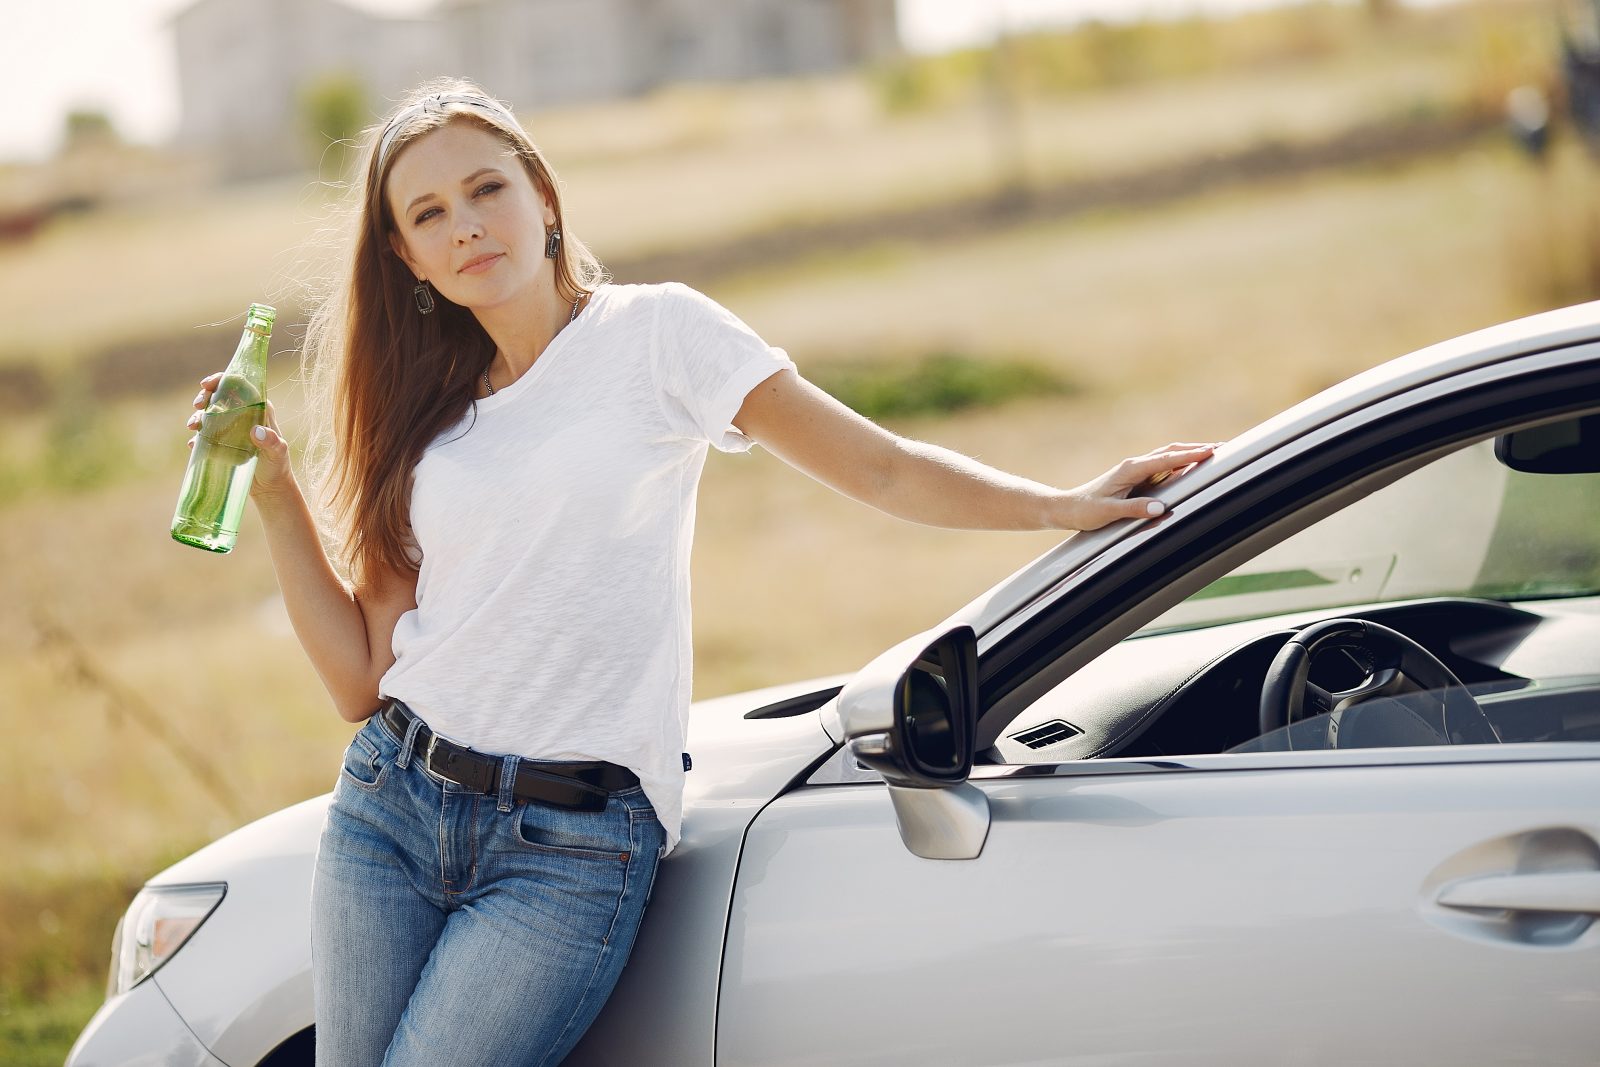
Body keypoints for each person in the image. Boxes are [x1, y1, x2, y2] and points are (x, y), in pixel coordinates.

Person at [184, 77, 1214, 1066]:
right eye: (430, 213)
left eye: (487, 187)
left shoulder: (658, 334)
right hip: (391, 803)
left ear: (542, 195)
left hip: (570, 845)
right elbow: (359, 679)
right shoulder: (423, 418)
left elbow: (882, 467)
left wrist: (1056, 502)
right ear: (408, 258)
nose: (467, 225)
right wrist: (277, 497)